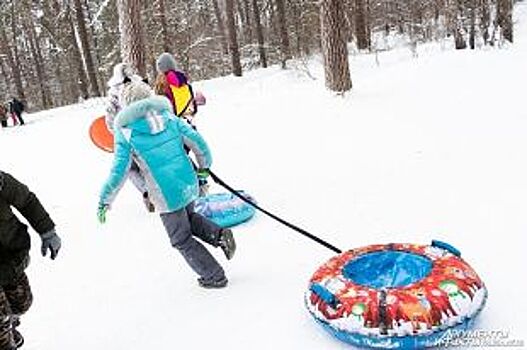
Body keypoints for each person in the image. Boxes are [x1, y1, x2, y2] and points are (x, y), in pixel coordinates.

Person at [97, 81, 236, 289]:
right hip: (188, 182)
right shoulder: (170, 118)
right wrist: (204, 167)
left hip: (165, 194)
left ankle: (214, 275)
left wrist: (104, 201)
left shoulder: (126, 132)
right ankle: (219, 234)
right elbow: (198, 142)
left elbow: (119, 171)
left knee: (180, 238)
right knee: (188, 218)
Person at [0, 171, 62, 349]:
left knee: (22, 303)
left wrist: (47, 231)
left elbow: (27, 201)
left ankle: (9, 323)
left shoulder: (2, 182)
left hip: (10, 258)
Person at [154, 53, 209, 195]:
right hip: (189, 124)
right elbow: (193, 106)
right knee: (192, 154)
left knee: (178, 160)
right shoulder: (185, 82)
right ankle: (201, 184)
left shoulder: (162, 85)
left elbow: (160, 109)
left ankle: (189, 189)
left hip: (173, 127)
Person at [105, 63, 154, 212]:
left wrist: (118, 134)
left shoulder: (113, 95)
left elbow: (110, 120)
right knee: (148, 165)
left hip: (126, 136)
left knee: (131, 168)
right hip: (145, 132)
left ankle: (146, 190)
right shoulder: (138, 86)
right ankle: (154, 190)